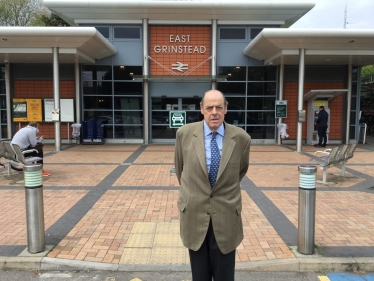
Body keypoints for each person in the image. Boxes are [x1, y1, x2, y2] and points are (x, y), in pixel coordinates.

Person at [174, 90, 251, 281]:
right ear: (202, 109)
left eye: (219, 107)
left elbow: (240, 171)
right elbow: (180, 170)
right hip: (194, 215)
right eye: (209, 107)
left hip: (226, 217)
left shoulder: (242, 138)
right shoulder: (184, 134)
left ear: (225, 109)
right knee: (199, 277)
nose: (214, 112)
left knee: (225, 277)